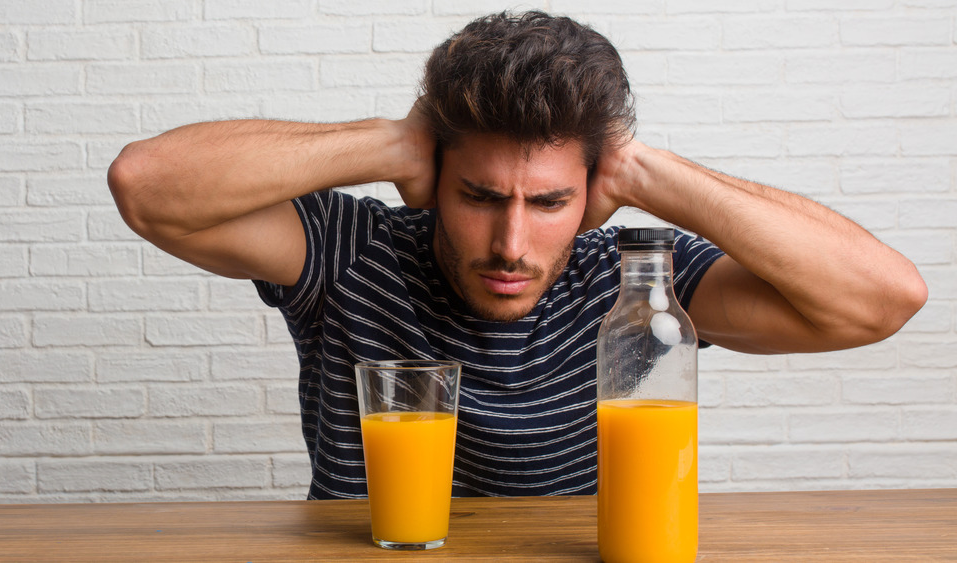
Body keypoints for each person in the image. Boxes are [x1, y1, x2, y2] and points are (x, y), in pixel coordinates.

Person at [107, 11, 927, 499]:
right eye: (478, 196)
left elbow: (882, 298)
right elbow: (145, 185)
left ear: (592, 190)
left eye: (548, 202)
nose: (511, 243)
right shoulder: (351, 252)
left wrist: (644, 170)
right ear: (433, 179)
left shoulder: (637, 292)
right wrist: (395, 138)